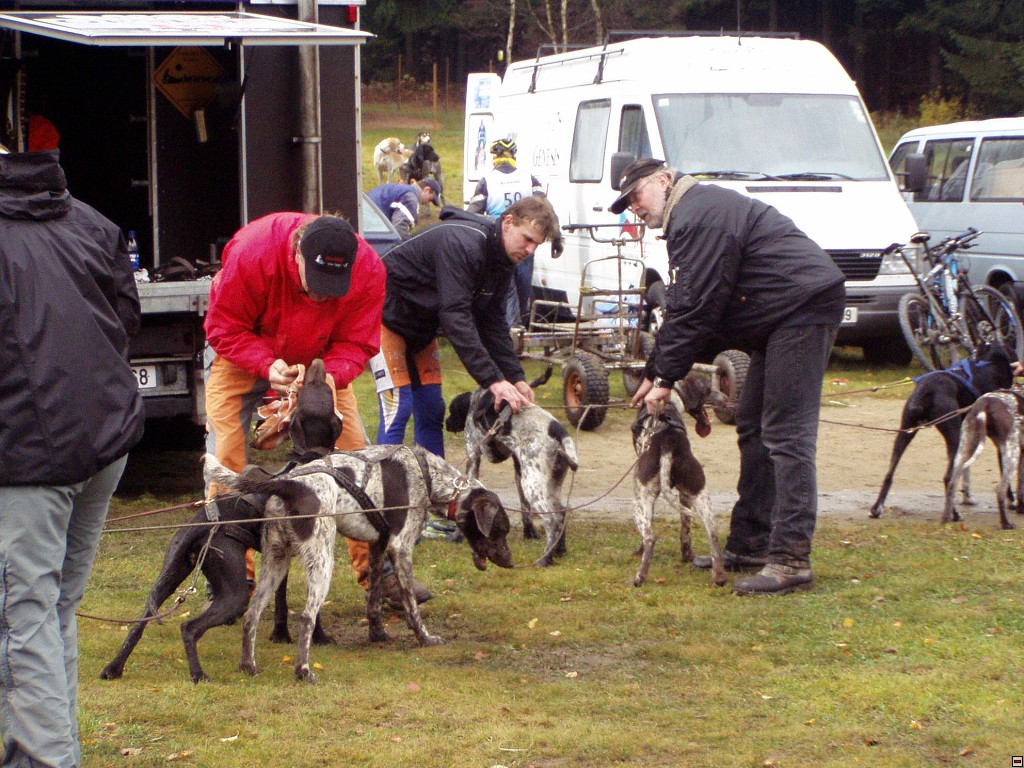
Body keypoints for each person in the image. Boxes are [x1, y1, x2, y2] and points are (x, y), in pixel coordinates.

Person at [612, 157, 846, 596]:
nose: (634, 208)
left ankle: (792, 559)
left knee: (787, 435)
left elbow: (697, 309)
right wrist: (655, 370)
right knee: (754, 428)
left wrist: (665, 380)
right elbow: (685, 307)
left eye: (635, 196)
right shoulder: (690, 215)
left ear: (663, 180)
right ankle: (751, 546)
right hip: (776, 315)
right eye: (627, 204)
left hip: (801, 308)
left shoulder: (699, 216)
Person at [0, 146, 145, 767]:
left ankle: (44, 759)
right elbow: (125, 319)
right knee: (49, 609)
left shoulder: (85, 223)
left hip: (35, 454)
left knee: (24, 617)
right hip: (100, 438)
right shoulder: (92, 222)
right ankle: (47, 752)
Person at [203, 212, 429, 604]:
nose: (323, 297)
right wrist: (265, 365)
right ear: (297, 253)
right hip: (244, 353)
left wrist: (327, 378)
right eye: (317, 284)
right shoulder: (252, 254)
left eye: (333, 288)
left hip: (322, 364)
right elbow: (225, 327)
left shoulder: (369, 270)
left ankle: (381, 573)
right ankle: (231, 579)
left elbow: (357, 342)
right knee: (226, 458)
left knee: (358, 459)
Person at [371, 196, 561, 457]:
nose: (530, 250)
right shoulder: (463, 243)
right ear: (508, 222)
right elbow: (456, 317)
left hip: (421, 325)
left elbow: (493, 323)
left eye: (536, 245)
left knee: (432, 407)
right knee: (398, 408)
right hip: (383, 315)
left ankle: (434, 479)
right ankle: (383, 479)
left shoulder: (503, 258)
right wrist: (493, 380)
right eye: (527, 239)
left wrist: (515, 377)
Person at [467, 137, 546, 326]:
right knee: (523, 288)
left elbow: (473, 213)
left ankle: (506, 327)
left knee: (504, 289)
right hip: (526, 238)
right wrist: (556, 238)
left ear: (494, 157)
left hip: (500, 240)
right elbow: (545, 209)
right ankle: (521, 326)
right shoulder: (529, 178)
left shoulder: (487, 181)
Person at [367, 178, 442, 238]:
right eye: (430, 199)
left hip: (364, 213)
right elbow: (399, 228)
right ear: (426, 190)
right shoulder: (411, 199)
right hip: (371, 224)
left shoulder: (400, 188)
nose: (428, 203)